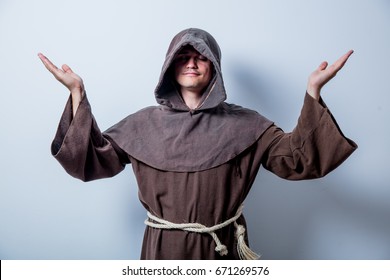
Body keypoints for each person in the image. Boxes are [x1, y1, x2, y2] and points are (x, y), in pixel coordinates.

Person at [38, 28, 357, 260]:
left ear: (214, 67)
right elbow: (91, 159)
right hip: (163, 254)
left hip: (222, 250)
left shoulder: (247, 124)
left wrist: (313, 91)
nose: (192, 63)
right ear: (170, 67)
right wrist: (77, 92)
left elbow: (299, 159)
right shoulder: (141, 124)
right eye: (183, 57)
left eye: (200, 57)